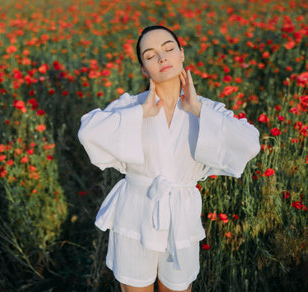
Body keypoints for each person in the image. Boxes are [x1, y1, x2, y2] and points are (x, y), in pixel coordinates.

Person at [77, 25, 260, 292]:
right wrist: (141, 114)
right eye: (150, 55)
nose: (162, 58)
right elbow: (88, 132)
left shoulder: (206, 109)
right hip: (135, 211)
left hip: (181, 215)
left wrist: (197, 109)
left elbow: (249, 142)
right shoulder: (131, 106)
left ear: (181, 55)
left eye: (168, 49)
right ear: (143, 68)